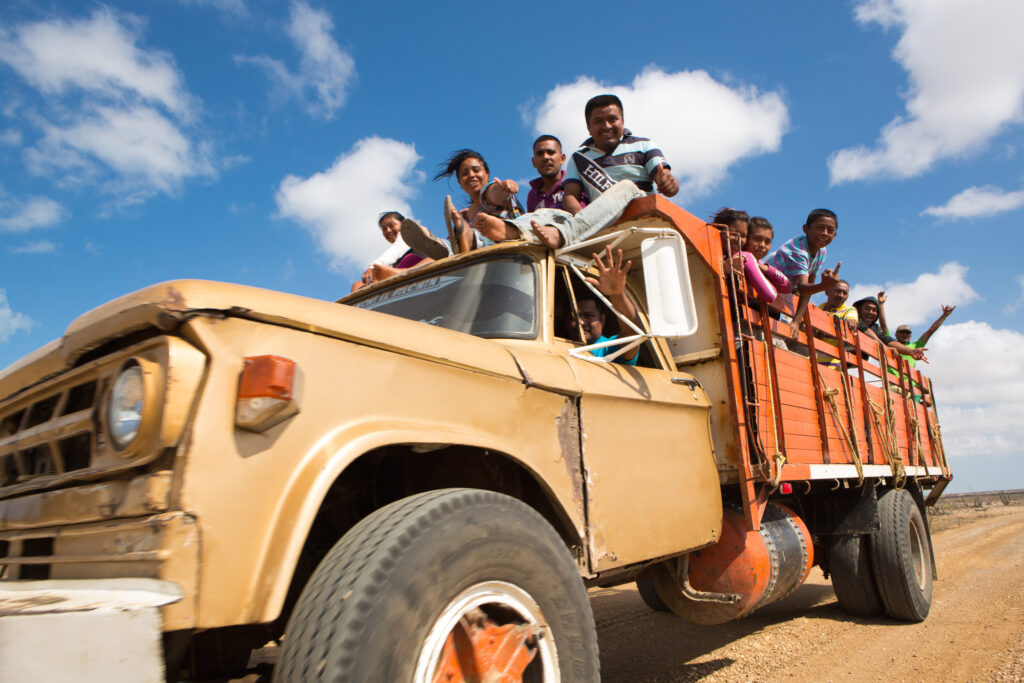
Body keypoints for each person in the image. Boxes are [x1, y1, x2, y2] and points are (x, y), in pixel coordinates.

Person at [561, 94, 678, 215]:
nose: (607, 126)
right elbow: (570, 197)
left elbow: (666, 180)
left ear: (622, 121)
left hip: (645, 219)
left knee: (626, 186)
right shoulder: (578, 159)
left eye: (612, 119)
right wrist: (584, 224)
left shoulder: (645, 145)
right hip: (605, 225)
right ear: (588, 128)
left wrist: (668, 183)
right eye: (598, 121)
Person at [402, 149, 522, 258]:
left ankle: (469, 238)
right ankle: (404, 271)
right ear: (459, 182)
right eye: (464, 173)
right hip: (473, 260)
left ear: (487, 173)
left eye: (476, 170)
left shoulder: (489, 193)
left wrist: (504, 188)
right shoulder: (467, 214)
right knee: (444, 248)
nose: (471, 175)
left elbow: (495, 194)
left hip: (507, 248)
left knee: (469, 236)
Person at [763, 208, 841, 334]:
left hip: (778, 293)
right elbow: (803, 288)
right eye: (820, 228)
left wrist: (796, 320)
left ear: (835, 235)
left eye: (830, 230)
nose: (825, 233)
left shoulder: (822, 251)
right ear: (806, 229)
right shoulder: (798, 250)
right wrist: (824, 286)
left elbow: (808, 287)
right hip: (763, 287)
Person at [568, 245, 641, 365]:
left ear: (602, 319)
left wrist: (617, 294)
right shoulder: (562, 348)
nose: (581, 322)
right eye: (575, 316)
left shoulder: (608, 348)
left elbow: (632, 334)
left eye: (588, 315)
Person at [350, 211, 429, 293]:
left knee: (412, 258)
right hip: (399, 275)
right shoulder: (396, 256)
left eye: (391, 226)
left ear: (404, 224)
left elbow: (398, 248)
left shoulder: (408, 234)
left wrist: (373, 266)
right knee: (357, 285)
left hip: (416, 266)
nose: (388, 230)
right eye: (384, 229)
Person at [852, 296, 927, 362]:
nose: (871, 312)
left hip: (853, 360)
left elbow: (887, 340)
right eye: (867, 308)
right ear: (859, 309)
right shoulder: (853, 318)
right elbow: (865, 330)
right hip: (842, 354)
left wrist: (911, 351)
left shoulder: (875, 328)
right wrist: (885, 348)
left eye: (874, 310)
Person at [527, 135, 586, 212]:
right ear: (533, 162)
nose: (545, 157)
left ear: (562, 158)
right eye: (540, 153)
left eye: (551, 152)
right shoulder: (533, 195)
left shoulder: (579, 180)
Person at [816, 280, 858, 367]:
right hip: (811, 360)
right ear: (827, 291)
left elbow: (851, 320)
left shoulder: (849, 310)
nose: (841, 295)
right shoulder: (817, 309)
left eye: (844, 293)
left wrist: (850, 322)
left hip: (833, 365)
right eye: (838, 291)